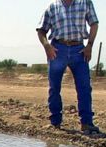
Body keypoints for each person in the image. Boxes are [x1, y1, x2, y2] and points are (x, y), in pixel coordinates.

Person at [37, 0, 100, 135]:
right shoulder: (53, 6)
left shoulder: (85, 3)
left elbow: (94, 24)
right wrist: (47, 46)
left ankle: (87, 123)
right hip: (58, 49)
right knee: (54, 87)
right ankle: (55, 122)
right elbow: (41, 30)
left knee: (84, 87)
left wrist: (90, 45)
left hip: (79, 49)